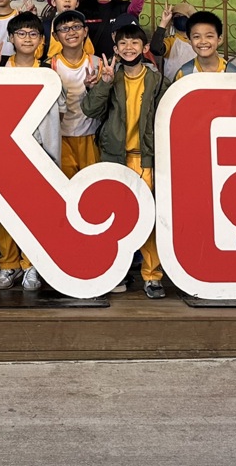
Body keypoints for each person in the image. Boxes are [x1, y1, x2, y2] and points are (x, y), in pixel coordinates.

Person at [82, 22, 165, 298]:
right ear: (116, 49)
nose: (129, 48)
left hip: (146, 161)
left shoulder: (157, 80)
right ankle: (117, 273)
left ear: (145, 47)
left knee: (149, 219)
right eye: (123, 43)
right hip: (115, 158)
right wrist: (103, 85)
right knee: (117, 220)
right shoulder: (110, 76)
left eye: (134, 42)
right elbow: (90, 110)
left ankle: (152, 276)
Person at [0, 11, 61, 293]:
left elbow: (59, 111)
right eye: (21, 34)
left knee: (35, 211)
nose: (27, 39)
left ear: (42, 39)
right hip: (6, 151)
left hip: (39, 151)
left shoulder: (48, 72)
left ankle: (32, 263)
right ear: (11, 38)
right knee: (5, 210)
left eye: (33, 34)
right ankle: (8, 264)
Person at [50, 9, 101, 178]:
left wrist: (94, 89)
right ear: (56, 36)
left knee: (91, 185)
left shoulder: (98, 64)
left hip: (90, 137)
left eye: (76, 27)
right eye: (64, 29)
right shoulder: (49, 67)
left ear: (85, 31)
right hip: (60, 138)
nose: (71, 32)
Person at [169, 11, 236, 80]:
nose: (203, 41)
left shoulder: (233, 73)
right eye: (196, 37)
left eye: (209, 36)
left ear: (219, 39)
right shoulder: (184, 73)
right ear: (189, 41)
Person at [150, 2, 197, 83]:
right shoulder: (171, 41)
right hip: (172, 85)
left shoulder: (199, 41)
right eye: (177, 17)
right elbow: (155, 48)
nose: (180, 19)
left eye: (183, 16)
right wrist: (163, 23)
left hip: (194, 85)